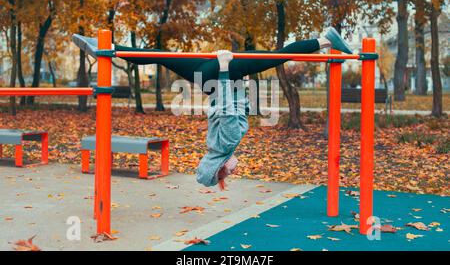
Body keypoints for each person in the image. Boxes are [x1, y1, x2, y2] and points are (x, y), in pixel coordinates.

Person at [120, 27, 353, 189]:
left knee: (276, 57)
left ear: (217, 166)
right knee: (161, 56)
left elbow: (225, 106)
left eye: (224, 173)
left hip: (223, 76)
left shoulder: (227, 143)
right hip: (206, 77)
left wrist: (223, 67)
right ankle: (111, 46)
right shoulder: (212, 146)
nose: (231, 172)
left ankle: (325, 41)